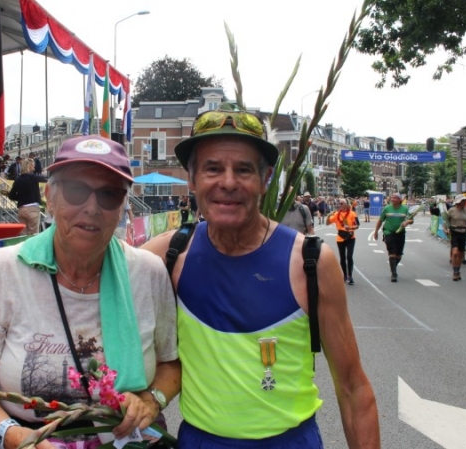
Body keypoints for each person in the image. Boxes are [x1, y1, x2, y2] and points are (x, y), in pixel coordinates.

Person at [143, 105, 379, 447]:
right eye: (212, 169)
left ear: (265, 179)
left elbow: (352, 387)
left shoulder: (310, 262)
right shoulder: (166, 256)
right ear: (192, 179)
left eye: (243, 170)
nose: (228, 182)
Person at [0, 135, 179, 449]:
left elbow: (170, 363)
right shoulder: (5, 269)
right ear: (50, 198)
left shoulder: (148, 273)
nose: (92, 207)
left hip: (129, 441)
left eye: (109, 194)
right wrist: (15, 437)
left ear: (123, 206)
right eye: (76, 191)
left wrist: (152, 401)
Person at [373, 193, 413, 282]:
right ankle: (394, 274)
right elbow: (380, 220)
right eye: (392, 198)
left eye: (395, 198)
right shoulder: (387, 208)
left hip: (400, 233)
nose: (392, 199)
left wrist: (407, 222)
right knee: (392, 253)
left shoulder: (405, 209)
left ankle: (393, 267)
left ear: (399, 200)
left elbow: (411, 220)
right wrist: (376, 232)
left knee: (398, 255)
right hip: (389, 232)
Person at [327, 198, 359, 285]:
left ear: (346, 205)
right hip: (340, 237)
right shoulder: (336, 214)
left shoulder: (352, 214)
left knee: (349, 256)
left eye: (341, 203)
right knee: (342, 257)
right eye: (339, 203)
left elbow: (357, 225)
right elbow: (327, 223)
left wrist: (350, 228)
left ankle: (350, 275)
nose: (339, 205)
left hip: (350, 237)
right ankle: (345, 275)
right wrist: (328, 216)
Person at [8, 158, 44, 236]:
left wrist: (21, 197)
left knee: (23, 234)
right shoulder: (34, 178)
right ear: (29, 166)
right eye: (33, 165)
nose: (34, 167)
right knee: (33, 235)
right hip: (32, 209)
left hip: (21, 209)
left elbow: (11, 195)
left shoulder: (18, 180)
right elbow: (45, 179)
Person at [443, 195, 466, 281]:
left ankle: (457, 270)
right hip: (454, 232)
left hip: (463, 232)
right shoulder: (452, 210)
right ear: (458, 202)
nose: (465, 202)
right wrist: (445, 229)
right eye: (463, 201)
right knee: (455, 252)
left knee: (460, 254)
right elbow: (446, 221)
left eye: (465, 201)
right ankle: (455, 272)